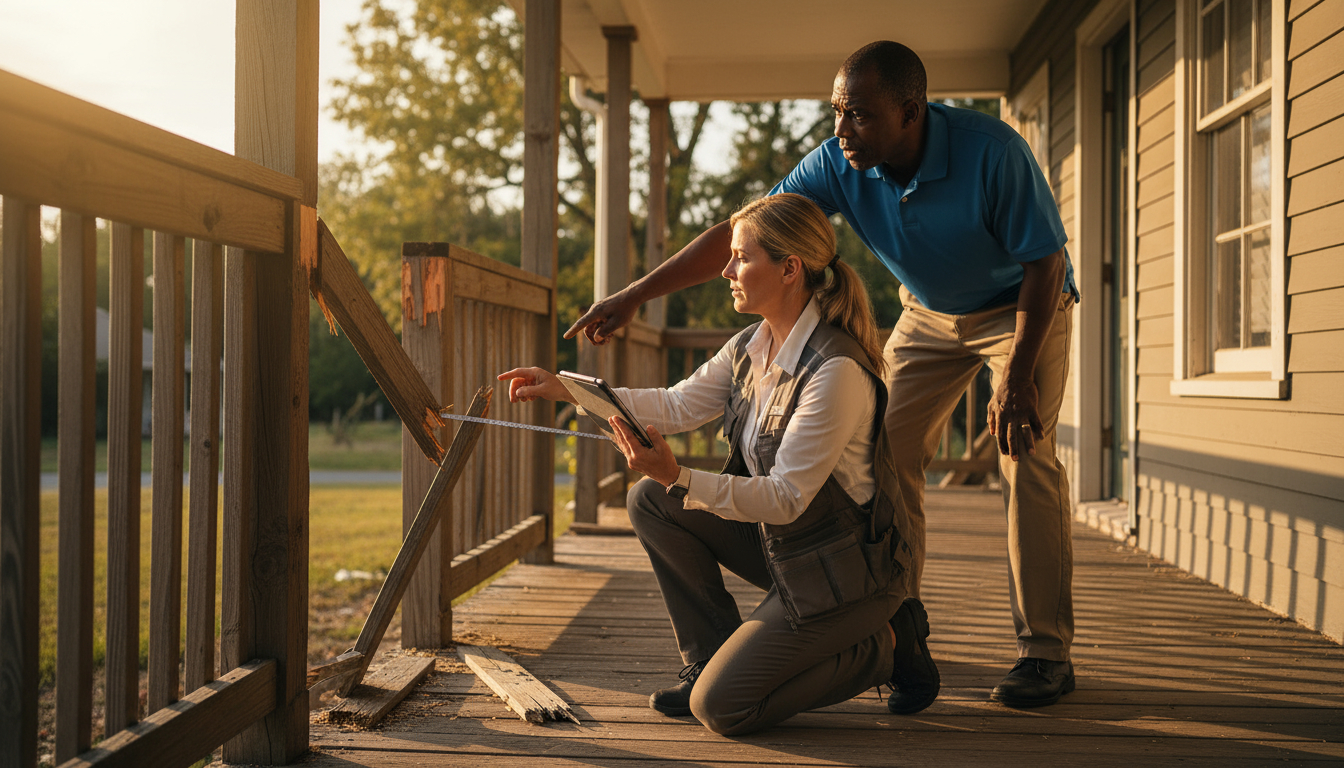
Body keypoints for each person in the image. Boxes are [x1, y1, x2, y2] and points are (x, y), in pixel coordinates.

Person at [566, 41, 1079, 708]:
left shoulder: (993, 151)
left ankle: (1045, 653)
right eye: (837, 112)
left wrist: (1015, 379)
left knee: (1025, 454)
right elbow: (745, 234)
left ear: (910, 112)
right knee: (886, 452)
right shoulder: (841, 163)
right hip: (928, 312)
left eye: (859, 115)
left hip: (1023, 307)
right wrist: (634, 295)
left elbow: (1045, 263)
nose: (842, 131)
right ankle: (901, 622)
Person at [500, 193, 939, 735]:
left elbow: (784, 499)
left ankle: (889, 645)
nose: (726, 270)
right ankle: (708, 657)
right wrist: (565, 388)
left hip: (847, 573)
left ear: (789, 269)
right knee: (652, 501)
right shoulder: (749, 348)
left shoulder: (835, 371)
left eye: (740, 258)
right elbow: (679, 403)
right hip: (790, 549)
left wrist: (678, 475)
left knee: (724, 708)